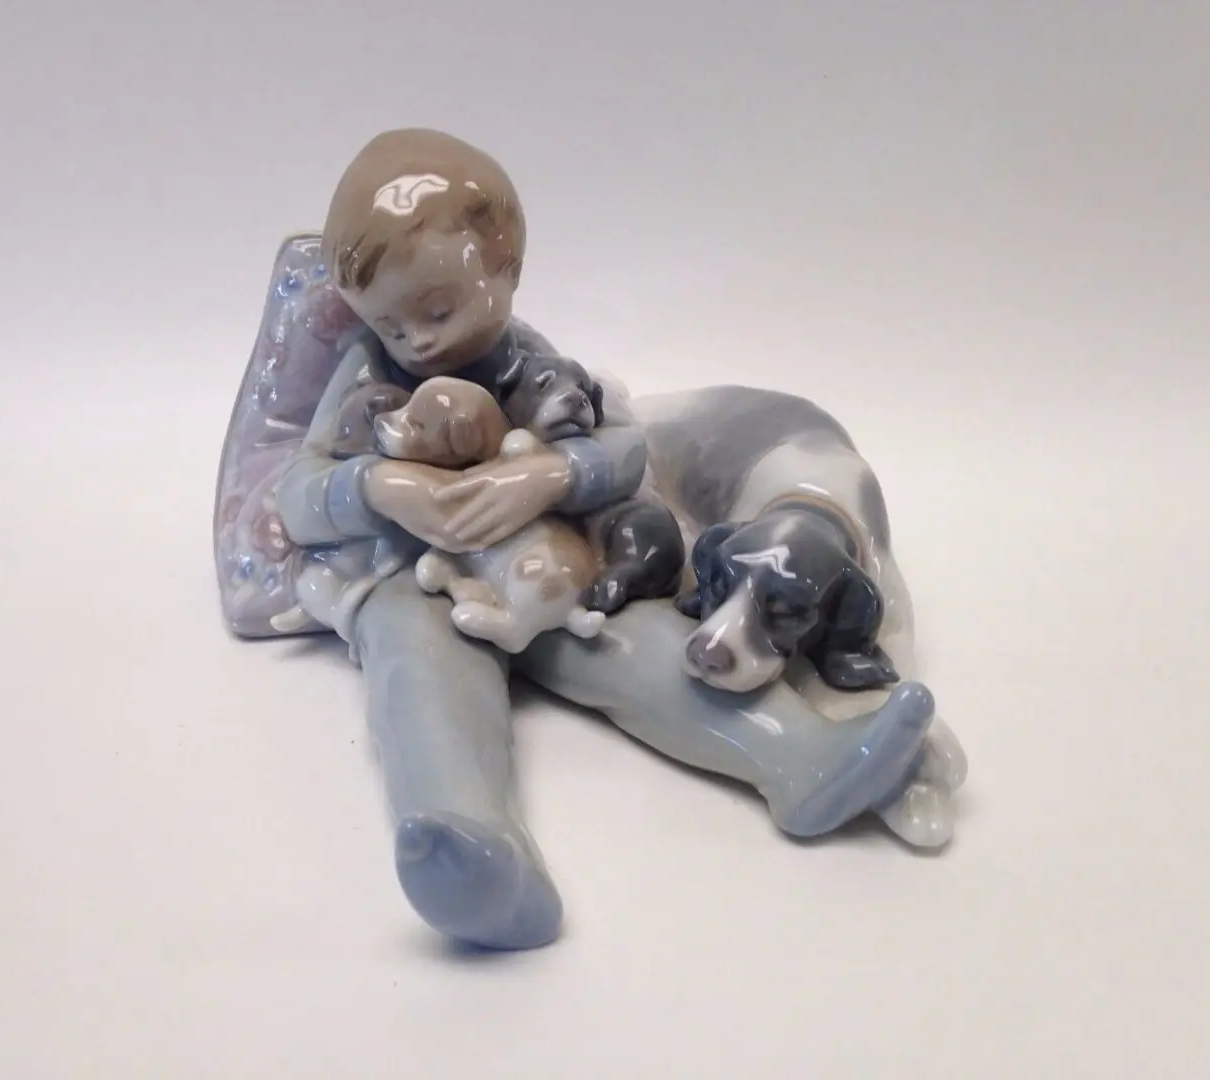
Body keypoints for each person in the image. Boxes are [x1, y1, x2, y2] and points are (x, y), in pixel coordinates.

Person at [272, 128, 949, 951]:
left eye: (438, 310)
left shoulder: (533, 365)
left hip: (550, 564)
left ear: (505, 270)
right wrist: (379, 487)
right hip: (413, 578)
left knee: (644, 647)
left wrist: (551, 475)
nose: (415, 340)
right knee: (419, 681)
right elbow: (298, 497)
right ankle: (472, 847)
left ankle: (805, 760)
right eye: (388, 322)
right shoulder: (366, 374)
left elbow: (624, 451)